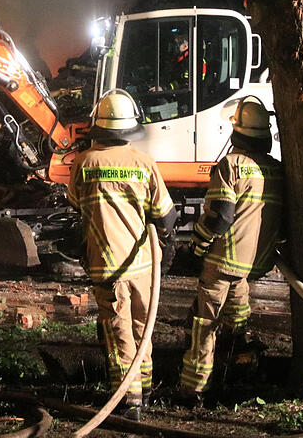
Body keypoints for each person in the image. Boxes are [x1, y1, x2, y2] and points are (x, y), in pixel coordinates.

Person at [67, 89, 177, 420]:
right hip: (145, 265)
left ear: (98, 125)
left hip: (106, 267)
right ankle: (142, 391)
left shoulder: (84, 163)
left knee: (119, 334)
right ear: (130, 127)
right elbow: (167, 217)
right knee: (143, 331)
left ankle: (128, 402)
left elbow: (76, 208)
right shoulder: (145, 164)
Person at [179, 95, 284, 403]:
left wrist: (196, 249)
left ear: (237, 130)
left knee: (203, 324)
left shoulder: (231, 166)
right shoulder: (277, 171)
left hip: (223, 263)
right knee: (237, 322)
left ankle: (193, 390)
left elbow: (218, 217)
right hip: (252, 266)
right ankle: (239, 374)